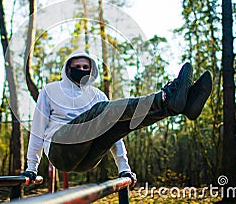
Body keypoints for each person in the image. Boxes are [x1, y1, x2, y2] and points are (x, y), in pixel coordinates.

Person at [21, 50, 212, 186]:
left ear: (91, 70)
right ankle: (165, 98)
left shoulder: (97, 95)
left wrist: (124, 167)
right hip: (59, 148)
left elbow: (115, 137)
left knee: (119, 123)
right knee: (102, 111)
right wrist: (32, 166)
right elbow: (38, 129)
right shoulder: (50, 90)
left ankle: (175, 107)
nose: (81, 69)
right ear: (67, 69)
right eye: (76, 66)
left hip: (88, 158)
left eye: (85, 67)